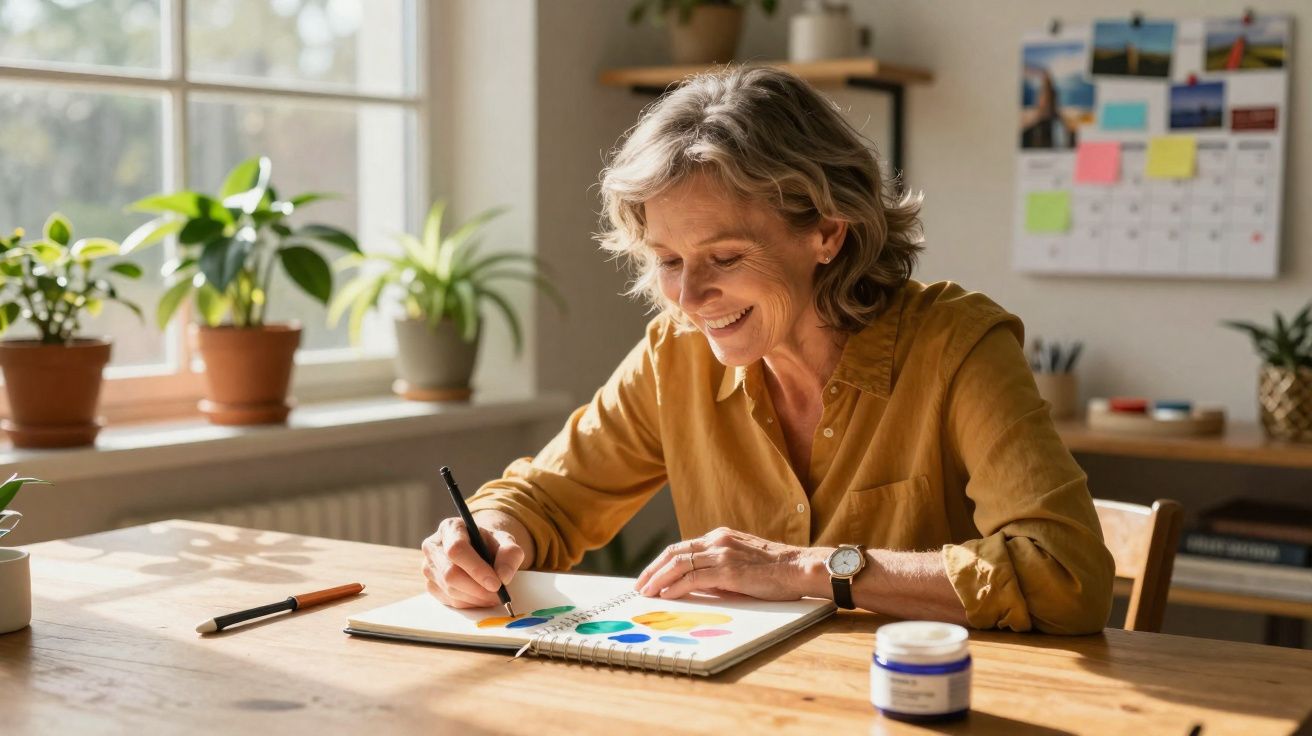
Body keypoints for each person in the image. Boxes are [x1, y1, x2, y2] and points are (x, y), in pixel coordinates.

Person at [421, 67, 1114, 634]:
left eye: (724, 255)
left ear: (828, 233)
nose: (689, 296)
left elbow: (1063, 573)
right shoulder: (675, 355)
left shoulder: (957, 346)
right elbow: (547, 498)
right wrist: (486, 535)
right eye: (667, 259)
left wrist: (805, 569)